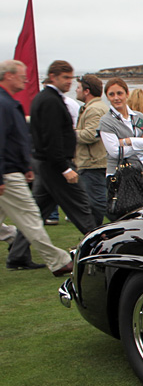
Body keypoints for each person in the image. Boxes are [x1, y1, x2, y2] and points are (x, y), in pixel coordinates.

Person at [0, 60, 73, 275]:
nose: (27, 79)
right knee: (31, 215)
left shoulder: (7, 103)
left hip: (13, 169)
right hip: (7, 172)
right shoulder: (4, 104)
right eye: (22, 75)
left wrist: (25, 165)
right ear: (9, 76)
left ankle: (14, 239)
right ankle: (59, 261)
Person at [27, 60, 94, 234]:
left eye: (70, 78)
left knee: (37, 213)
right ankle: (98, 247)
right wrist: (65, 169)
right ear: (52, 77)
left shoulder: (44, 98)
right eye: (65, 77)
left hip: (47, 163)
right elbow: (52, 138)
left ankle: (18, 253)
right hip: (57, 165)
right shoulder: (51, 101)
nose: (69, 82)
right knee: (81, 207)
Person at [99, 78, 143, 212]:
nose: (116, 98)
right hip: (118, 173)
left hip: (140, 170)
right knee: (123, 210)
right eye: (111, 94)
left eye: (119, 93)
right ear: (107, 97)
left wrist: (128, 141)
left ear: (127, 94)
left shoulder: (138, 117)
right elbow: (115, 152)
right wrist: (142, 141)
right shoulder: (106, 122)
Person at [74, 74, 109, 228]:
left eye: (78, 87)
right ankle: (95, 235)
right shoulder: (94, 108)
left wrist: (70, 133)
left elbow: (91, 135)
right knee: (94, 204)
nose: (76, 90)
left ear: (87, 91)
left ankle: (122, 224)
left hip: (93, 162)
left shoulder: (94, 109)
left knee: (98, 203)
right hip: (94, 161)